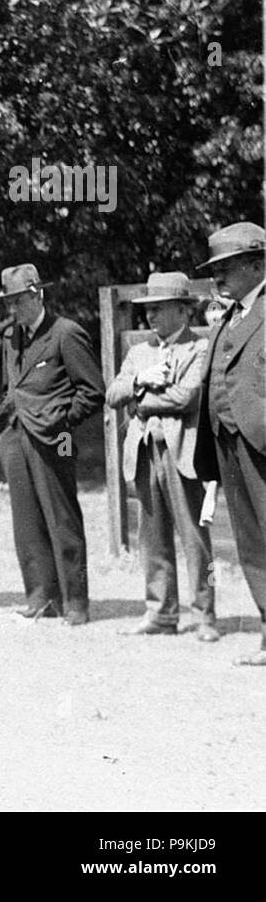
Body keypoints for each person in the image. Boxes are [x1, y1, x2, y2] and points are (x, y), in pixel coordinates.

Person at [105, 272, 217, 641]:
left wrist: (139, 403)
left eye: (160, 308)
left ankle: (204, 616)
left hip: (182, 453)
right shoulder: (139, 353)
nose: (151, 316)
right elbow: (112, 394)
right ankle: (161, 613)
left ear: (184, 311)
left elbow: (187, 398)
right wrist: (140, 381)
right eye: (148, 309)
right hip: (143, 452)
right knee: (151, 539)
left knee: (194, 537)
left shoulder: (199, 348)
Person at [0, 264, 104, 625]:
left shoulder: (65, 333)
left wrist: (62, 420)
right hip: (16, 436)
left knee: (62, 516)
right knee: (26, 521)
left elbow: (93, 391)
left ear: (38, 294)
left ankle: (76, 602)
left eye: (19, 301)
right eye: (8, 302)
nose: (13, 309)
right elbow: (11, 386)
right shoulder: (10, 337)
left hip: (58, 438)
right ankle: (41, 598)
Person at [192, 223, 266, 666]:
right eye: (214, 268)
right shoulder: (226, 319)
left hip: (262, 446)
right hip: (229, 446)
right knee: (251, 544)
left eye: (227, 266)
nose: (217, 276)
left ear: (257, 265)